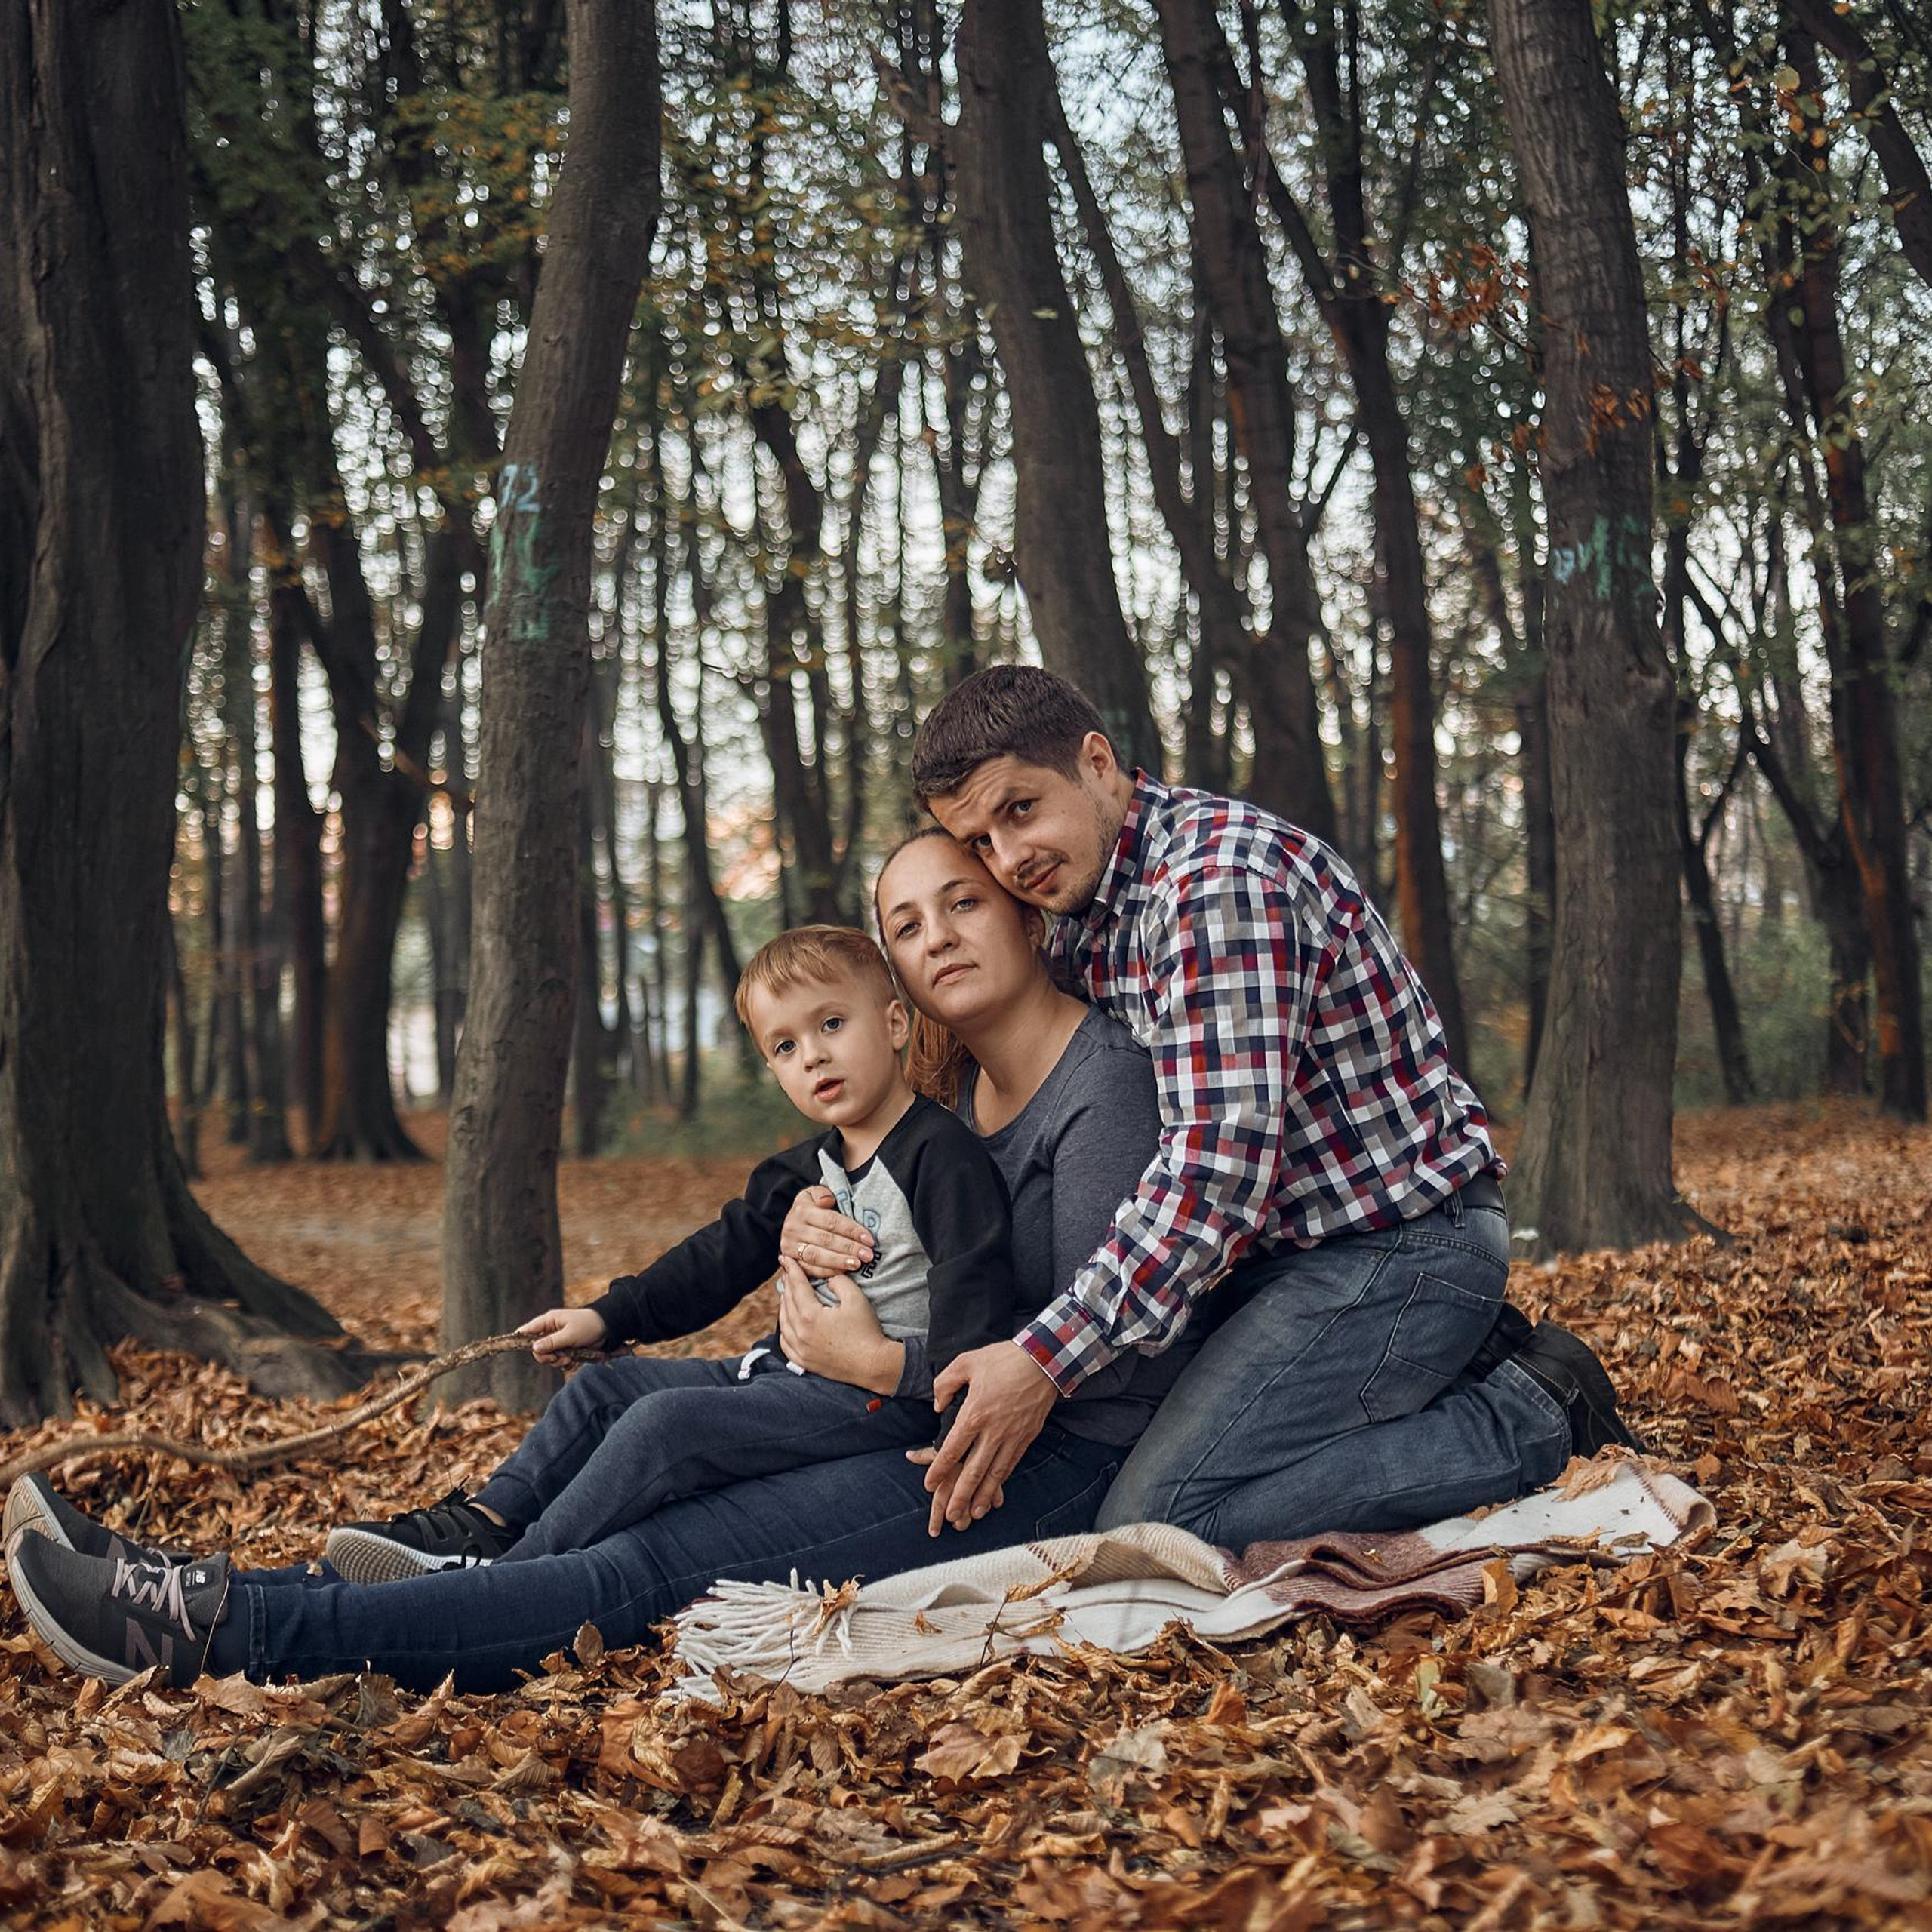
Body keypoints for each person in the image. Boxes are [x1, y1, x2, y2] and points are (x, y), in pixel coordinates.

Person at [5, 834, 1183, 1693]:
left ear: (1026, 911)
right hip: (861, 1399)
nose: (937, 938)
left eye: (961, 903)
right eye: (909, 921)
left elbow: (1059, 1348)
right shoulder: (942, 1104)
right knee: (620, 1406)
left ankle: (226, 1633)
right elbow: (741, 1239)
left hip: (986, 1458)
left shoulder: (1087, 1097)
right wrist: (626, 1313)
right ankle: (209, 1580)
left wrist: (880, 1359)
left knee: (636, 1553)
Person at [783, 664, 1641, 1551]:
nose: (1007, 858)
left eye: (1020, 811)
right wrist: (828, 1207)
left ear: (1097, 761)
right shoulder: (1083, 905)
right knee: (1152, 1472)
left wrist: (1042, 1357)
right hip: (1267, 1264)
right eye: (980, 841)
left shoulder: (1216, 884)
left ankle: (1533, 1412)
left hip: (1396, 1243)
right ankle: (1439, 1374)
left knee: (1161, 1516)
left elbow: (1213, 1176)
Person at [320, 923, 1020, 1583]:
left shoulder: (940, 1156)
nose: (812, 1055)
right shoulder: (804, 1168)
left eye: (831, 1024)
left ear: (894, 1023)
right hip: (782, 1373)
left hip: (876, 1402)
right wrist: (607, 1318)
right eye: (784, 1047)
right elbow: (714, 1261)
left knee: (664, 1427)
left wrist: (956, 1429)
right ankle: (484, 1526)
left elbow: (974, 1298)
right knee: (600, 1390)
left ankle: (512, 1580)